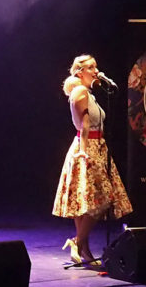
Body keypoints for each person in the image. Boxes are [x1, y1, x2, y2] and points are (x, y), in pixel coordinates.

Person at [53, 55, 133, 267]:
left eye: (96, 66)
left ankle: (83, 249)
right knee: (101, 199)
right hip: (88, 148)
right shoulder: (80, 92)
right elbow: (85, 126)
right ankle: (77, 242)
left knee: (85, 201)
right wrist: (83, 152)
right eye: (91, 67)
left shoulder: (88, 93)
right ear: (80, 72)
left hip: (96, 147)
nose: (96, 70)